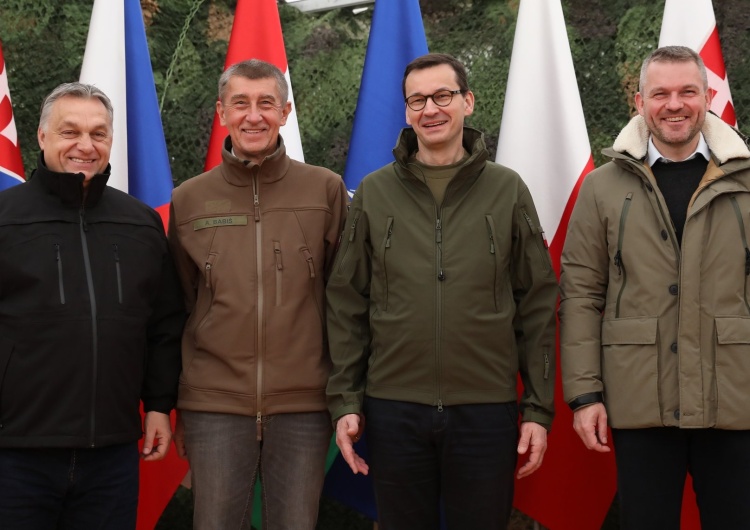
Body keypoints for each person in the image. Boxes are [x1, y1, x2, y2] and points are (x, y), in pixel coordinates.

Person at [326, 53, 558, 530]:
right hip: (394, 409)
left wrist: (537, 407)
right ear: (407, 112)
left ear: (467, 102)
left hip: (486, 409)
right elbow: (347, 301)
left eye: (442, 96)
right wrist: (346, 401)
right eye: (417, 100)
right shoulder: (374, 192)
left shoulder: (508, 190)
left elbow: (536, 303)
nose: (430, 109)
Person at [560, 45, 750, 529]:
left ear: (708, 97)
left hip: (736, 395)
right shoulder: (602, 188)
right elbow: (581, 293)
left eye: (688, 91)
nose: (674, 104)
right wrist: (585, 395)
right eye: (660, 93)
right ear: (639, 102)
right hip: (639, 398)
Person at [168, 59, 348, 530]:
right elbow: (180, 304)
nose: (254, 116)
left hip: (304, 402)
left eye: (266, 103)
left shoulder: (326, 190)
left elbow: (346, 299)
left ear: (286, 110)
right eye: (240, 103)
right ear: (221, 112)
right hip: (214, 404)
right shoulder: (188, 199)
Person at [0, 83, 185, 529]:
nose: (86, 145)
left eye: (98, 133)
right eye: (70, 132)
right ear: (42, 137)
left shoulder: (141, 222)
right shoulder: (4, 218)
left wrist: (159, 404)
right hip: (15, 456)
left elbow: (163, 324)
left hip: (112, 457)